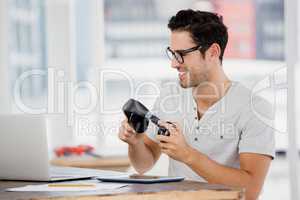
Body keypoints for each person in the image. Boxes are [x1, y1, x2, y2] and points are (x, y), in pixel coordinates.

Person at [118, 9, 274, 200]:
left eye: (182, 54)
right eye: (172, 54)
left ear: (212, 52)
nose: (174, 64)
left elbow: (250, 191)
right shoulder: (170, 96)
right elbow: (144, 164)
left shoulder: (254, 108)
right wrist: (135, 142)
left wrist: (188, 155)